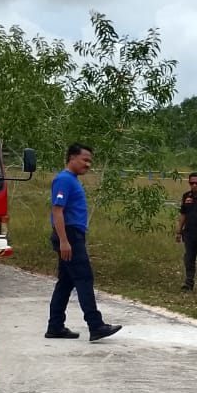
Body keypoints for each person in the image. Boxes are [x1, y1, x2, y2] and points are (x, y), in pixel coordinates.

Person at [45, 143, 122, 342]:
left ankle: (55, 326)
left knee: (66, 282)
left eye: (90, 161)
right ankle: (96, 325)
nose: (88, 164)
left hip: (73, 234)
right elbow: (57, 210)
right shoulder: (64, 180)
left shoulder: (72, 180)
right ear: (72, 158)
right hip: (69, 235)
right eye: (85, 160)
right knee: (84, 278)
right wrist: (64, 241)